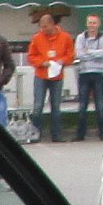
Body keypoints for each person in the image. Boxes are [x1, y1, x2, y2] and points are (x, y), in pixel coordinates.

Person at [25, 10, 74, 142]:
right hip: (41, 75)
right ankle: (35, 134)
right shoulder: (37, 38)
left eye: (45, 26)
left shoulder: (65, 37)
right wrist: (42, 63)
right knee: (38, 105)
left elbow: (71, 55)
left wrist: (62, 61)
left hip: (57, 77)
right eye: (41, 27)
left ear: (52, 24)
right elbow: (31, 56)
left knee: (56, 106)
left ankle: (56, 134)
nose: (42, 29)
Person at [71, 13, 103, 140]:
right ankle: (80, 134)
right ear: (86, 24)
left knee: (100, 105)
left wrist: (88, 52)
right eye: (90, 23)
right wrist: (95, 53)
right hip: (84, 73)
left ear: (98, 24)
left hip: (98, 73)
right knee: (82, 105)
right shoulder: (80, 37)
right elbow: (78, 54)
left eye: (94, 23)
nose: (91, 25)